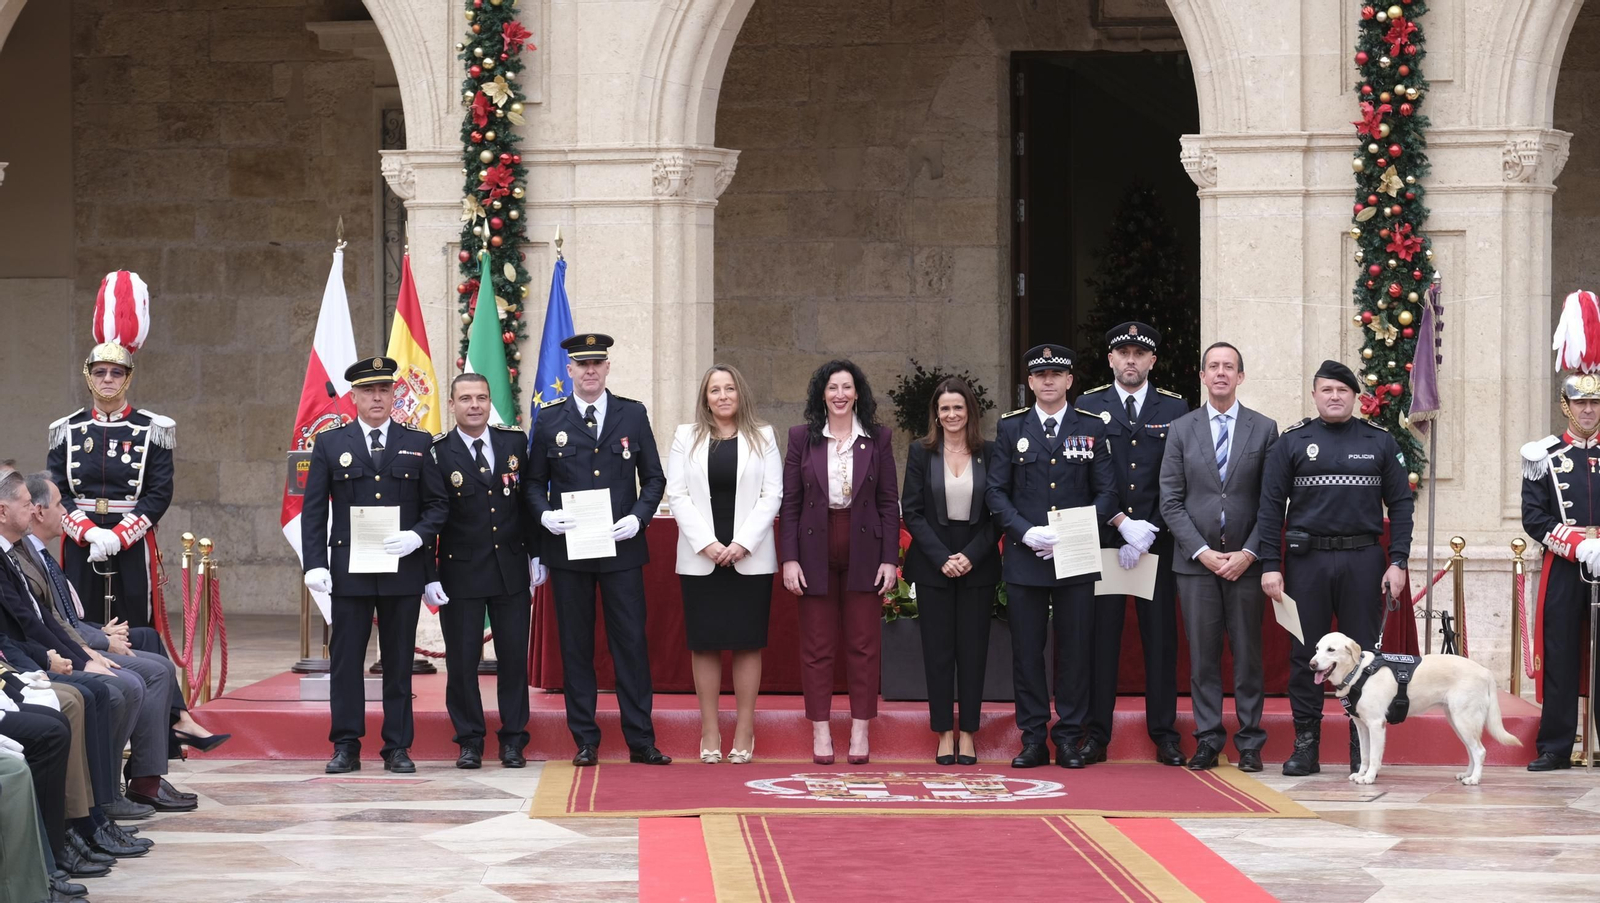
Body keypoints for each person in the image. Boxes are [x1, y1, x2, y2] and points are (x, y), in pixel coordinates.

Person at [1257, 359, 1413, 776]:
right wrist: (1270, 564)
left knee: (1362, 657)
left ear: (1356, 397)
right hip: (1306, 563)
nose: (1334, 396)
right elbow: (1270, 508)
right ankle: (1306, 746)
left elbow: (1401, 505)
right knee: (1304, 654)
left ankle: (1360, 750)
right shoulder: (1292, 442)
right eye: (1326, 389)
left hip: (1363, 561)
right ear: (1314, 395)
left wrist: (1398, 561)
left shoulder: (1379, 441)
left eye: (1343, 390)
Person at [524, 333, 670, 767]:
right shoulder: (550, 418)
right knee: (575, 646)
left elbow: (654, 478)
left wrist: (639, 517)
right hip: (570, 550)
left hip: (621, 548)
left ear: (607, 368)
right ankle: (585, 740)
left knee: (631, 645)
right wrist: (545, 516)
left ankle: (641, 740)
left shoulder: (632, 413)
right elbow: (533, 483)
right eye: (582, 364)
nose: (590, 370)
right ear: (569, 370)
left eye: (597, 363)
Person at [301, 356, 447, 775]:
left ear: (394, 394)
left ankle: (397, 746)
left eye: (384, 389)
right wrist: (315, 563)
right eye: (368, 391)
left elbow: (438, 505)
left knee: (399, 662)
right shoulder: (331, 443)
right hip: (350, 569)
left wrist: (417, 536)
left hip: (402, 569)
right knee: (346, 661)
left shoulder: (418, 441)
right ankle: (346, 745)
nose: (377, 397)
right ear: (354, 397)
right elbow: (314, 510)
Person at [987, 344, 1119, 769]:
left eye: (1056, 374)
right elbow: (996, 491)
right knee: (1027, 653)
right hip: (1026, 556)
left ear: (1069, 381)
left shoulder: (1091, 427)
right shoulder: (1011, 428)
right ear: (1030, 382)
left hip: (1075, 555)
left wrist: (1072, 530)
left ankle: (1068, 738)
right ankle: (1032, 739)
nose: (1048, 381)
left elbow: (1107, 493)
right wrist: (1025, 532)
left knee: (1075, 652)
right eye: (1040, 375)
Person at [1159, 342, 1278, 772]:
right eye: (1214, 366)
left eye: (1229, 367)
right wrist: (1203, 552)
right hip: (1196, 566)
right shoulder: (1181, 429)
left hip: (1246, 564)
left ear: (1240, 376)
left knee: (1248, 656)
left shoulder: (1264, 429)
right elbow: (1170, 500)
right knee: (1203, 659)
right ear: (1203, 376)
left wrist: (1249, 552)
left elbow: (1272, 500)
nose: (1221, 373)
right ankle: (1208, 739)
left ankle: (1250, 742)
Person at [1075, 322, 1191, 767]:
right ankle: (1095, 735)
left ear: (1152, 361)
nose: (1130, 360)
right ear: (1110, 359)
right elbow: (1082, 476)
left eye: (1139, 353)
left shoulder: (1175, 407)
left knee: (1160, 641)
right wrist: (1120, 524)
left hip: (1156, 544)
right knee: (1100, 641)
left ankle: (1164, 734)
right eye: (1122, 352)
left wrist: (1149, 530)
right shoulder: (1088, 406)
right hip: (1104, 540)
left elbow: (1179, 478)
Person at [779, 360, 900, 765]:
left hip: (865, 547)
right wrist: (790, 559)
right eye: (832, 388)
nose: (840, 395)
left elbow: (888, 503)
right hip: (813, 547)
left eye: (847, 387)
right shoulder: (802, 438)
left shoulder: (878, 438)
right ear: (822, 394)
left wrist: (889, 560)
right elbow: (791, 504)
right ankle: (821, 729)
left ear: (858, 393)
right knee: (817, 646)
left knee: (864, 645)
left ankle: (860, 729)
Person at [666, 364, 782, 764]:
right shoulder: (686, 437)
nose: (723, 396)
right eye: (714, 390)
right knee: (705, 643)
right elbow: (677, 495)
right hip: (702, 557)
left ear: (740, 393)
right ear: (705, 398)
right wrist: (709, 544)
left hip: (750, 557)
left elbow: (772, 495)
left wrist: (742, 544)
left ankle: (745, 728)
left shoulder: (763, 436)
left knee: (748, 643)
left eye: (729, 388)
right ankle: (710, 729)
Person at [429, 373, 545, 770]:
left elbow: (527, 501)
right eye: (465, 399)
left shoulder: (513, 442)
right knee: (462, 663)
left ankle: (513, 740)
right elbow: (430, 514)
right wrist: (429, 574)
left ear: (490, 401)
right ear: (452, 405)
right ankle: (469, 740)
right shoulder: (438, 452)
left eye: (481, 397)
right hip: (460, 573)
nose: (474, 405)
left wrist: (536, 554)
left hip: (510, 568)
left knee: (513, 660)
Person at [48, 270, 175, 630]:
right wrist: (89, 532)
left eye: (116, 373)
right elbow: (57, 491)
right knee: (81, 621)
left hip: (131, 541)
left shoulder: (153, 429)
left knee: (135, 620)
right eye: (100, 371)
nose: (107, 379)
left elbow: (159, 493)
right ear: (88, 375)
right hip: (81, 540)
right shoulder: (66, 429)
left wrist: (119, 536)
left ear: (128, 377)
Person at [901, 376, 998, 765]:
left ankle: (969, 733)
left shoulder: (990, 452)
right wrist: (942, 556)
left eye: (958, 407)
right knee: (938, 652)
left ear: (969, 411)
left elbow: (999, 512)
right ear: (936, 414)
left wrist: (971, 555)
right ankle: (944, 732)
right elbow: (912, 510)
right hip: (933, 563)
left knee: (973, 652)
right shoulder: (921, 452)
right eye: (945, 408)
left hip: (978, 561)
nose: (952, 414)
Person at [1523, 291, 1600, 771]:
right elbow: (1534, 517)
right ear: (1565, 405)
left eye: (1594, 401)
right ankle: (1555, 745)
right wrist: (1579, 544)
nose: (1588, 409)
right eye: (1580, 402)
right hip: (1566, 567)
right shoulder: (1543, 455)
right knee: (1560, 654)